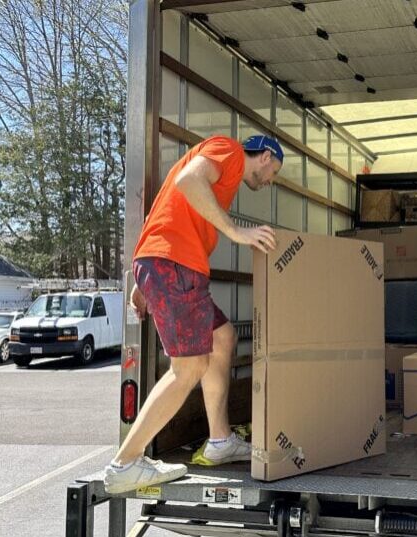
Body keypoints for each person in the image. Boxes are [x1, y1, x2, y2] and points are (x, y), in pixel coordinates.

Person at [104, 134, 283, 494]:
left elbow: (168, 207)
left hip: (169, 266)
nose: (270, 182)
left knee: (223, 336)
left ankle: (219, 441)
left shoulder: (222, 171)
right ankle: (125, 463)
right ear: (264, 157)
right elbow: (188, 182)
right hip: (175, 265)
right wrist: (236, 231)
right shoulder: (229, 151)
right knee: (188, 368)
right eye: (273, 172)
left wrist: (145, 279)